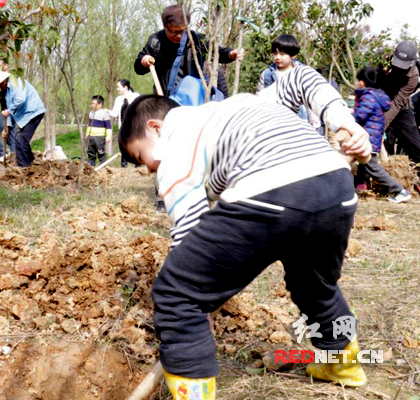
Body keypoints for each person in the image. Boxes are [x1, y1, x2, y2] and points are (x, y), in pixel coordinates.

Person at [118, 67, 371, 399]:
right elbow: (301, 79)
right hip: (335, 185)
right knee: (314, 285)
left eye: (141, 156)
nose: (149, 169)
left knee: (176, 292)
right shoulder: (245, 102)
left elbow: (187, 233)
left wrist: (198, 301)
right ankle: (342, 364)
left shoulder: (174, 146)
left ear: (156, 128)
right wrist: (345, 122)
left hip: (271, 185)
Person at [134, 4, 243, 98]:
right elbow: (138, 68)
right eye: (174, 32)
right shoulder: (155, 41)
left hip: (192, 98)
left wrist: (231, 54)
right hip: (166, 98)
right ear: (165, 27)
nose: (179, 36)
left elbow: (217, 52)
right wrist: (144, 60)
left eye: (182, 31)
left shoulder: (196, 40)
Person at [353, 67, 411, 203]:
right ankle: (357, 187)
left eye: (357, 80)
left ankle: (399, 190)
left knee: (372, 167)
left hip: (368, 138)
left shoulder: (368, 97)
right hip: (371, 137)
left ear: (362, 82)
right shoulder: (377, 96)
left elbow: (359, 116)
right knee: (364, 164)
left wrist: (348, 114)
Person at [379, 40, 420, 182]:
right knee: (386, 144)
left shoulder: (414, 77)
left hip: (402, 111)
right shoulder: (384, 59)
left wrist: (382, 125)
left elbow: (397, 103)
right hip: (382, 105)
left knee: (416, 146)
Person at [0, 69, 45, 168]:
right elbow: (11, 113)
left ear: (3, 81)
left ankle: (23, 167)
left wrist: (8, 111)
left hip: (34, 112)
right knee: (19, 138)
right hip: (26, 116)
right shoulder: (8, 92)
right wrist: (6, 129)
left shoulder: (15, 82)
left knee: (21, 138)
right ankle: (30, 163)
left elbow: (20, 99)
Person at [257, 34, 310, 123]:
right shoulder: (267, 75)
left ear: (294, 55)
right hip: (273, 119)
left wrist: (314, 121)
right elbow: (259, 96)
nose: (277, 57)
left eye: (282, 54)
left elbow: (309, 100)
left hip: (298, 120)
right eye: (275, 53)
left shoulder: (301, 73)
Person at [108, 79, 140, 167]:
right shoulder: (118, 99)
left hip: (134, 126)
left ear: (125, 87)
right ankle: (124, 164)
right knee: (123, 145)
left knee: (135, 144)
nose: (117, 89)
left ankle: (137, 163)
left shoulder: (136, 96)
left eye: (118, 87)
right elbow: (114, 113)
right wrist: (106, 111)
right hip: (122, 126)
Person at [86, 95, 112, 166]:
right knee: (91, 153)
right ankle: (90, 167)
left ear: (100, 104)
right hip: (91, 137)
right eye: (92, 104)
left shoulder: (105, 113)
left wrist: (108, 136)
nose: (92, 105)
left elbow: (109, 126)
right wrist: (87, 135)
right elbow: (89, 125)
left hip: (99, 138)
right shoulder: (91, 113)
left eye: (94, 104)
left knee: (101, 153)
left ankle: (103, 167)